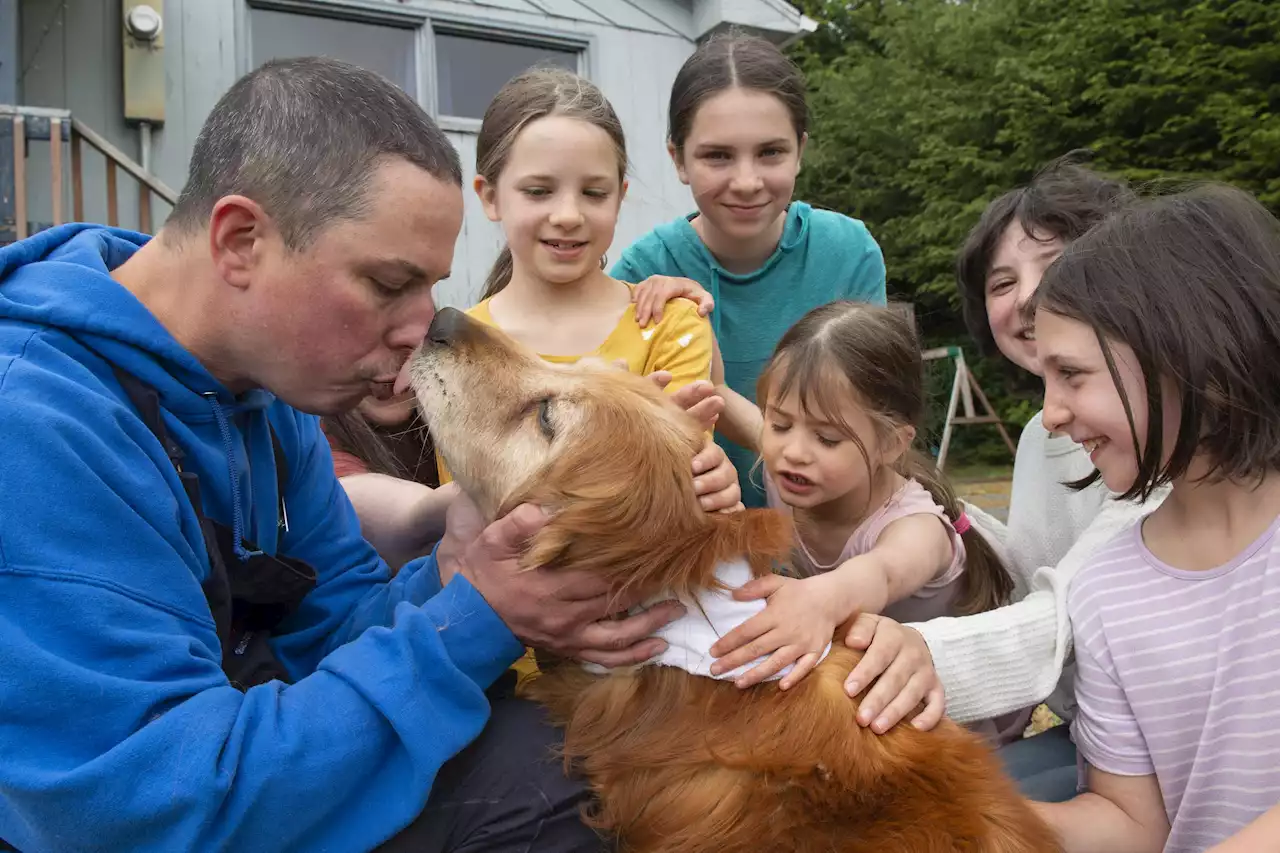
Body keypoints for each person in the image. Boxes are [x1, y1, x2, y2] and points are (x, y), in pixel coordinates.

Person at [0, 57, 744, 853]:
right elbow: (145, 806)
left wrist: (456, 573)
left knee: (564, 758)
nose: (420, 325)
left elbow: (335, 622)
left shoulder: (259, 386)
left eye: (428, 285)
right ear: (241, 239)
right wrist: (477, 621)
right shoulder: (38, 426)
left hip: (244, 766)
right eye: (388, 283)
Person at [1029, 184, 1280, 852]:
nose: (1050, 412)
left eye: (1072, 374)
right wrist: (964, 815)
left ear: (1191, 355)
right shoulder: (1105, 590)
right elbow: (1131, 822)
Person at [702, 301, 1027, 744]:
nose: (792, 450)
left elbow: (881, 571)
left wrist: (820, 599)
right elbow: (716, 388)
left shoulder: (915, 526)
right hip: (866, 695)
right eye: (779, 425)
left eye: (827, 437)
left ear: (891, 444)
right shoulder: (800, 468)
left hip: (950, 718)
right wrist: (680, 307)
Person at [612, 32, 888, 509]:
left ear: (800, 150)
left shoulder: (849, 252)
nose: (746, 182)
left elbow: (872, 429)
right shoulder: (642, 273)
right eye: (718, 155)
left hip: (835, 542)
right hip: (700, 550)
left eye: (770, 152)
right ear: (678, 158)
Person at [433, 66, 717, 491]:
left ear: (620, 198)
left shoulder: (670, 325)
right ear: (490, 197)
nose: (568, 215)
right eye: (538, 191)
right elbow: (466, 498)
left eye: (593, 193)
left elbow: (675, 492)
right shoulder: (457, 346)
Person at [322, 394, 456, 571]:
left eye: (411, 363)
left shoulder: (447, 414)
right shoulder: (320, 449)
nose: (392, 372)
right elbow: (343, 496)